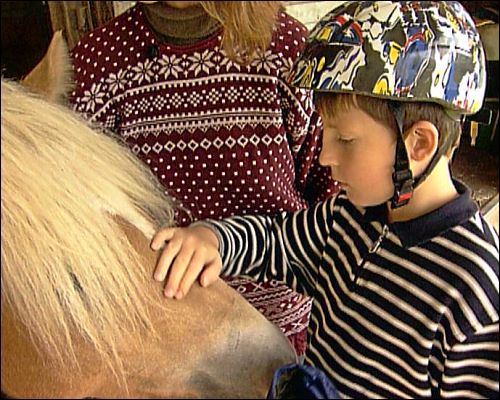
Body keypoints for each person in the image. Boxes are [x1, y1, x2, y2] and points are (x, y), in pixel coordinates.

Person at [150, 2, 499, 398]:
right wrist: (211, 240)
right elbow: (274, 242)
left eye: (345, 140)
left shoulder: (474, 287)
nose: (324, 156)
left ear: (418, 144)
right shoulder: (346, 218)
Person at [69, 1, 337, 358]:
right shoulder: (93, 65)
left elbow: (335, 209)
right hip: (161, 352)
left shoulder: (288, 53)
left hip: (278, 346)